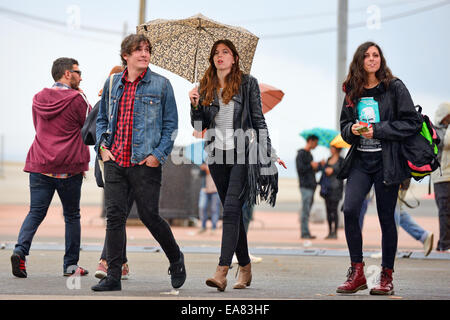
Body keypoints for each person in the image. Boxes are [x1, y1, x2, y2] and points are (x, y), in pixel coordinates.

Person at [189, 39, 286, 291]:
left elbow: (258, 119)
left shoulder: (247, 83)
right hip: (216, 157)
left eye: (225, 52)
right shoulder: (205, 85)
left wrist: (268, 150)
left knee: (231, 209)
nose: (220, 56)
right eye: (216, 53)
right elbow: (199, 128)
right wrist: (195, 104)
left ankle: (222, 270)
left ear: (234, 58)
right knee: (232, 213)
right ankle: (245, 265)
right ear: (212, 59)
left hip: (242, 154)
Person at [91, 34, 185, 292]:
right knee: (115, 217)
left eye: (147, 50)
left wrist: (158, 155)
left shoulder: (162, 85)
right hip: (115, 161)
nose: (144, 54)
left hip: (145, 163)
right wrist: (102, 147)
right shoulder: (112, 83)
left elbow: (171, 126)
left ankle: (176, 258)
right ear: (126, 56)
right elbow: (101, 120)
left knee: (149, 216)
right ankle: (113, 276)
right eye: (138, 50)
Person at [335, 42, 422, 295]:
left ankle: (386, 276)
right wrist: (351, 130)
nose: (372, 59)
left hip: (388, 161)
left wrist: (379, 129)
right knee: (350, 210)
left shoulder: (394, 87)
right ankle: (357, 272)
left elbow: (412, 123)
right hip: (361, 161)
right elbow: (343, 127)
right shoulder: (352, 89)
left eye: (376, 55)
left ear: (381, 60)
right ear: (359, 61)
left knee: (386, 218)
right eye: (367, 55)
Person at [11, 57, 90, 278]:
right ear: (67, 74)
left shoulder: (38, 98)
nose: (81, 76)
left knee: (35, 212)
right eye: (78, 71)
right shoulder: (77, 99)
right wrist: (84, 97)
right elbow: (90, 127)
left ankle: (20, 252)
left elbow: (40, 127)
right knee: (72, 216)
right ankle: (70, 266)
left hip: (40, 163)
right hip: (69, 168)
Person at [359, 178, 434, 256]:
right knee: (396, 211)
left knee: (391, 210)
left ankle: (390, 250)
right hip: (398, 178)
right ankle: (423, 235)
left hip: (394, 178)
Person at [296, 135, 323, 239]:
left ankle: (306, 231)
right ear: (310, 141)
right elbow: (300, 169)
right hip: (305, 186)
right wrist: (311, 166)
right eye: (316, 142)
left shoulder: (309, 155)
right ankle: (304, 232)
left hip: (311, 186)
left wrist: (319, 165)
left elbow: (312, 170)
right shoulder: (301, 154)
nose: (316, 145)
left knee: (307, 209)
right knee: (305, 210)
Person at [432, 102, 450, 252]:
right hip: (441, 176)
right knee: (444, 210)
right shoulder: (435, 130)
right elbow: (445, 142)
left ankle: (443, 242)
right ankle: (444, 243)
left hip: (446, 176)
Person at [320, 146, 344, 239]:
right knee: (328, 210)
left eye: (332, 147)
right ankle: (330, 231)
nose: (330, 149)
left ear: (337, 148)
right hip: (327, 188)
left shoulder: (341, 160)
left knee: (334, 210)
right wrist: (323, 166)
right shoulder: (328, 159)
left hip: (336, 188)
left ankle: (335, 232)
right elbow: (324, 172)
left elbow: (343, 172)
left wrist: (333, 170)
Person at [198, 162, 221, 234]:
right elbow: (200, 175)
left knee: (214, 209)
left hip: (215, 190)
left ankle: (214, 227)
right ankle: (203, 226)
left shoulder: (220, 162)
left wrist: (212, 170)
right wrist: (203, 169)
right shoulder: (204, 162)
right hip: (205, 190)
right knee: (202, 207)